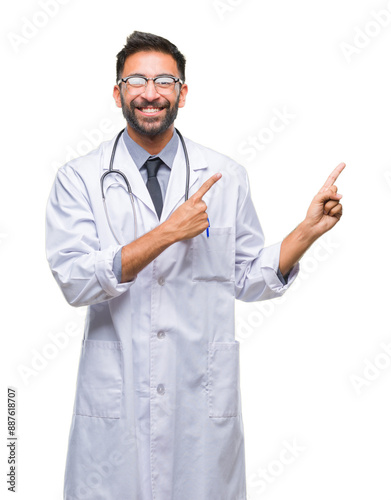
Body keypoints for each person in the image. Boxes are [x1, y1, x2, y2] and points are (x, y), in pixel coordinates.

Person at [45, 31, 344, 500]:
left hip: (198, 400)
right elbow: (76, 280)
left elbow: (247, 278)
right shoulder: (79, 178)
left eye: (165, 81)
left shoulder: (224, 175)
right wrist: (169, 232)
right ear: (117, 91)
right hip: (116, 398)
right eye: (136, 80)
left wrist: (306, 232)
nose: (150, 92)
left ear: (183, 92)